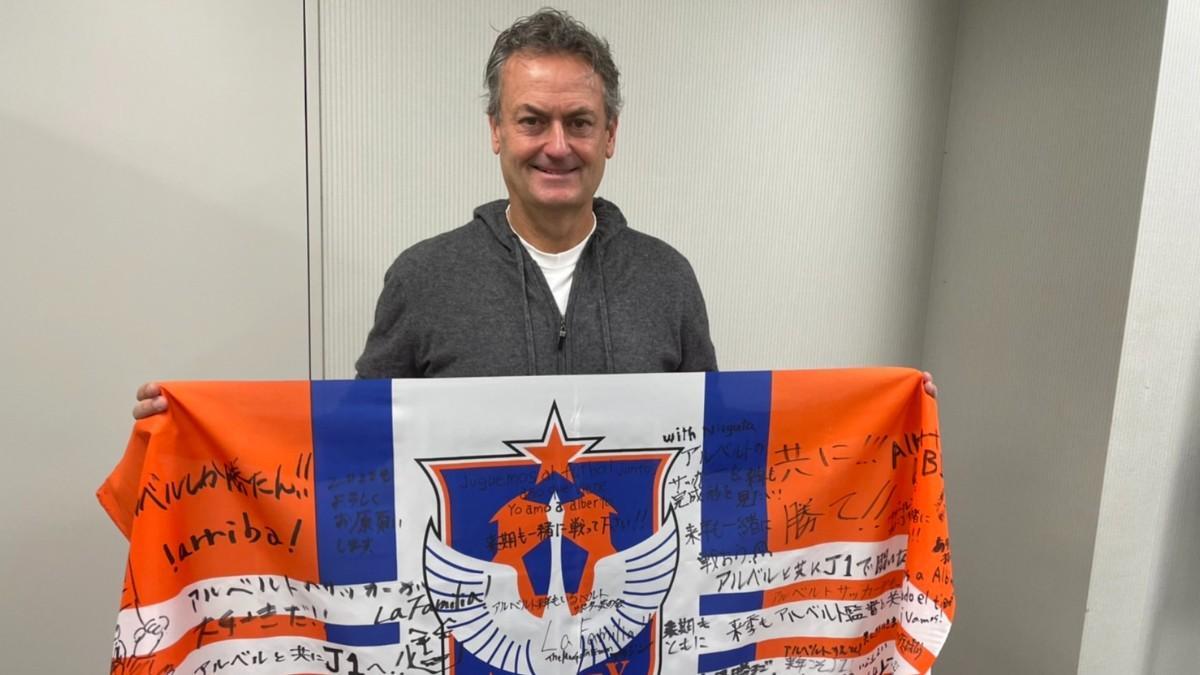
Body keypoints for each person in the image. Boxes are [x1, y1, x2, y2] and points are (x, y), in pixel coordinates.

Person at [132, 8, 933, 418]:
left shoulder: (668, 277)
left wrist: (882, 412)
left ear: (610, 133)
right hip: (465, 634)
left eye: (579, 121)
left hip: (633, 634)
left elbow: (717, 449)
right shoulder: (422, 276)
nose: (557, 145)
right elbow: (357, 448)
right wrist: (200, 423)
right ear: (495, 129)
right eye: (531, 119)